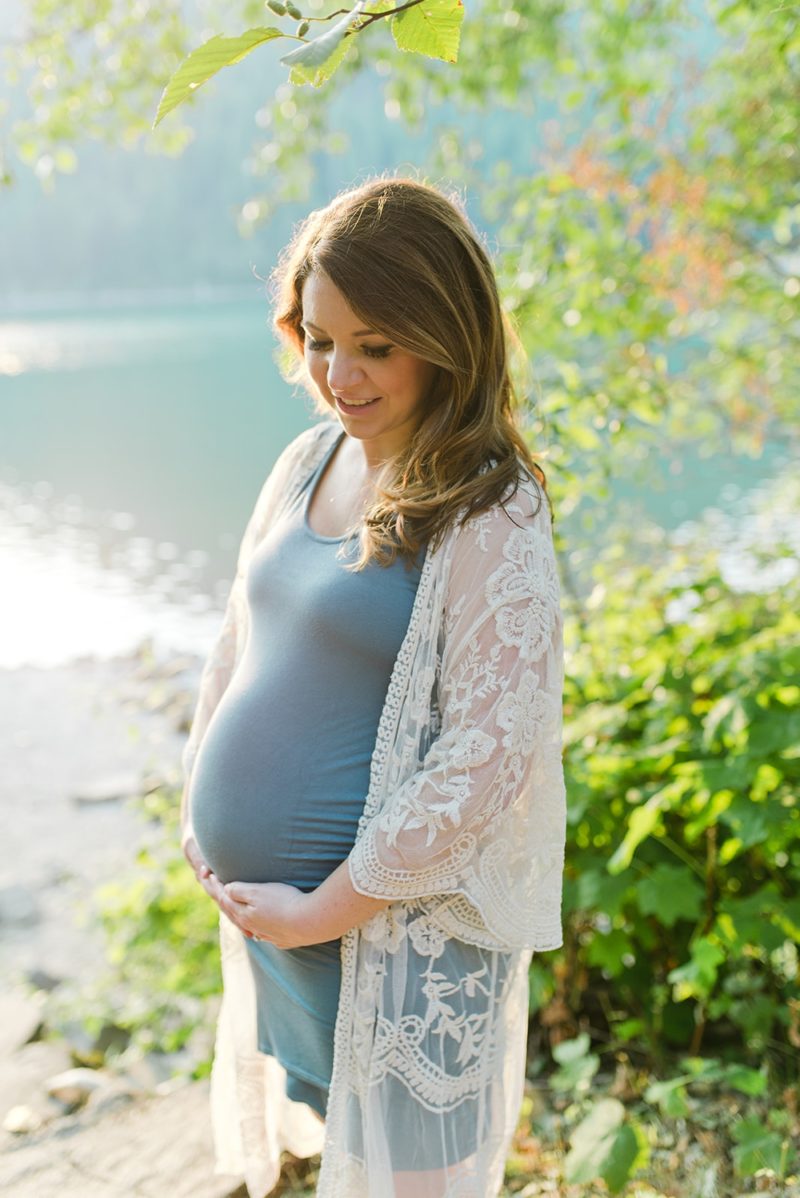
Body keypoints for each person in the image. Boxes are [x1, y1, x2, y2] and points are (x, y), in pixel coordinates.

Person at [179, 175, 567, 1198]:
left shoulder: (490, 509)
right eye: (316, 338)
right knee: (342, 1153)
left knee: (417, 1187)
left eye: (374, 346)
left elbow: (485, 758)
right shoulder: (310, 458)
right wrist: (195, 810)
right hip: (290, 929)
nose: (336, 373)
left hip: (395, 942)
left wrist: (325, 908)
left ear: (444, 335)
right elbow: (238, 641)